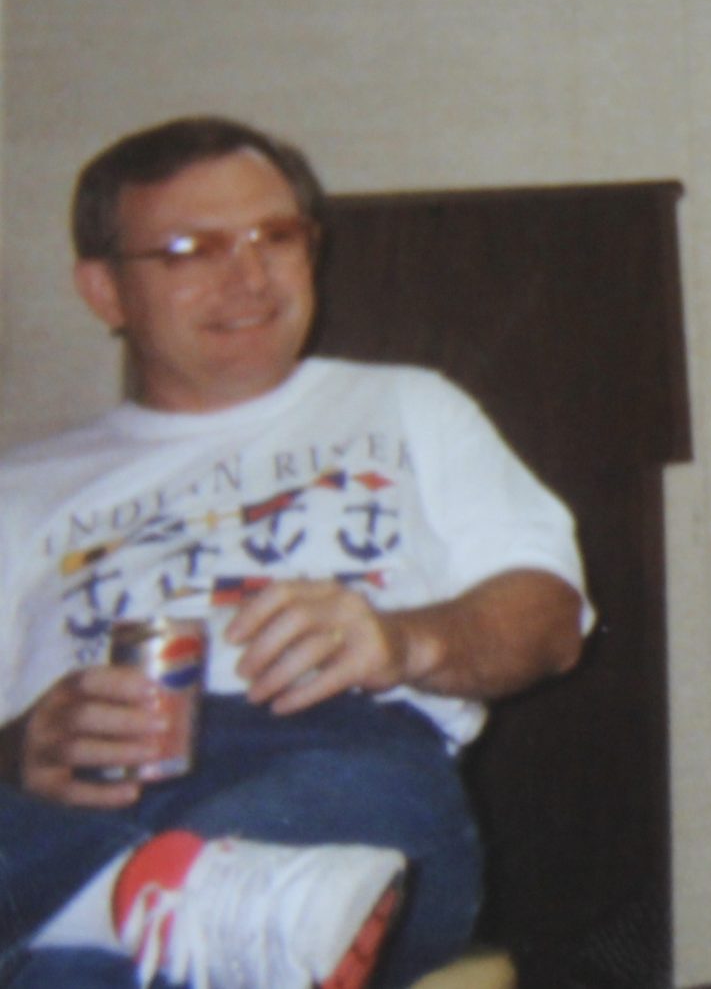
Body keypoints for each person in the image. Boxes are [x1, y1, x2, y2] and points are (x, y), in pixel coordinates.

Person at [0, 117, 588, 989]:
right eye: (192, 249)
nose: (250, 276)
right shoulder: (22, 488)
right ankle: (145, 896)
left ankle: (116, 906)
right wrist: (18, 749)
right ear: (105, 291)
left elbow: (549, 622)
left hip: (333, 755)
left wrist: (400, 643)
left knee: (84, 969)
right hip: (71, 796)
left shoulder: (407, 407)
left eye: (276, 237)